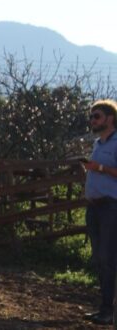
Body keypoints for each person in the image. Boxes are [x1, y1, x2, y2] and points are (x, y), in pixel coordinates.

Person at [81, 99, 117, 326]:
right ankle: (104, 308)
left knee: (107, 258)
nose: (92, 120)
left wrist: (100, 168)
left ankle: (108, 311)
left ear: (110, 119)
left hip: (110, 206)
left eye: (97, 116)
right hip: (94, 206)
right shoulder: (97, 143)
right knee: (100, 259)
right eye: (91, 117)